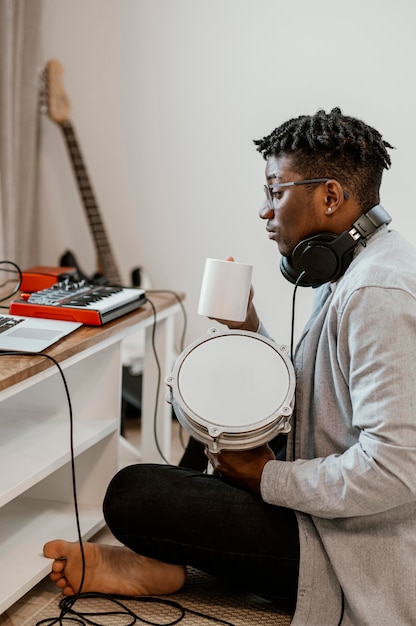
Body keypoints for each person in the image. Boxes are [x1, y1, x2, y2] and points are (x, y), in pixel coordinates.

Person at [44, 108, 416, 625]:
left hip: (351, 549)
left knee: (133, 494)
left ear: (330, 197)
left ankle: (164, 562)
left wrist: (268, 477)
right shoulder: (352, 267)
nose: (264, 211)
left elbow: (396, 470)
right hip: (330, 507)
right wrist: (249, 330)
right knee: (216, 409)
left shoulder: (378, 292)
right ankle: (164, 563)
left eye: (275, 191)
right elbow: (315, 397)